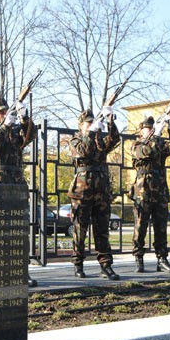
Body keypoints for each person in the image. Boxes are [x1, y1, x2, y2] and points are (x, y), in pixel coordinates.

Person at [0, 96, 37, 287]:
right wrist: (4, 126)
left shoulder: (14, 132)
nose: (4, 115)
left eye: (6, 111)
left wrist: (24, 117)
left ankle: (21, 270)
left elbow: (30, 136)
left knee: (19, 230)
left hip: (16, 182)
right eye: (1, 112)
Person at [67, 108, 121, 280]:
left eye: (93, 122)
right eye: (88, 123)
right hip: (82, 190)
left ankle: (105, 265)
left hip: (101, 190)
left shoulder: (99, 140)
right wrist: (90, 133)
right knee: (79, 229)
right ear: (81, 125)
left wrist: (110, 122)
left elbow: (114, 140)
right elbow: (83, 150)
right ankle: (78, 263)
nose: (91, 125)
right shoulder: (75, 140)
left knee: (102, 230)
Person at [128, 116, 170, 273]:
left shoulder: (159, 142)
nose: (150, 130)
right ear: (141, 130)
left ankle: (162, 259)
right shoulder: (136, 144)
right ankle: (138, 258)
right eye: (147, 128)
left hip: (160, 188)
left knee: (161, 225)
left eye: (152, 128)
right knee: (141, 225)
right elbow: (147, 152)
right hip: (142, 189)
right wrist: (155, 136)